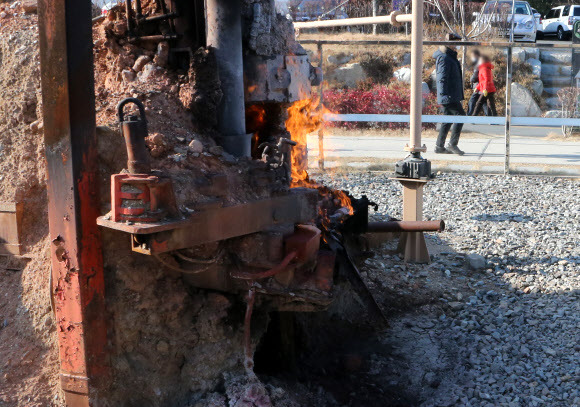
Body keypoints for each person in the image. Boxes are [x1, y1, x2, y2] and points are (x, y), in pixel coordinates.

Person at [433, 45, 465, 156]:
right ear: (449, 44)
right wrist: (443, 95)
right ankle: (452, 144)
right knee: (460, 115)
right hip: (449, 96)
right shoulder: (444, 58)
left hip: (451, 95)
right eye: (456, 43)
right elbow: (442, 77)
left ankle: (439, 146)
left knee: (447, 120)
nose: (458, 46)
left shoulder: (449, 57)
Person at [467, 49, 490, 116]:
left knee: (472, 101)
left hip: (478, 86)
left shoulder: (478, 63)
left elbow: (475, 74)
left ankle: (469, 115)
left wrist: (471, 79)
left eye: (473, 56)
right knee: (483, 102)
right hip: (482, 86)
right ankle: (489, 116)